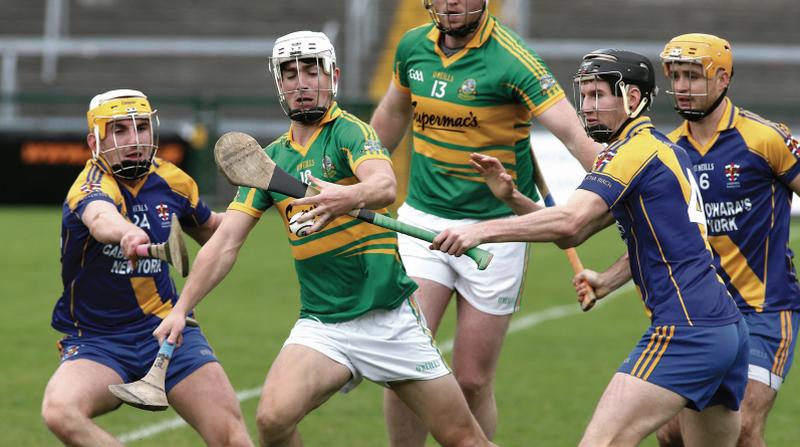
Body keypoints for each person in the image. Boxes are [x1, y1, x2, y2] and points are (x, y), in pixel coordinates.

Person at [153, 31, 495, 447]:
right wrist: (182, 307)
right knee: (273, 419)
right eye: (290, 73)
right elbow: (225, 242)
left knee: (463, 439)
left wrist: (344, 197)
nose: (301, 82)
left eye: (312, 70)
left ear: (333, 75)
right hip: (324, 323)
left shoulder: (352, 133)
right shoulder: (269, 161)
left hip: (388, 319)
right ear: (279, 85)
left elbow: (384, 186)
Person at [430, 49, 750, 446]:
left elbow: (570, 221)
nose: (588, 107)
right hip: (726, 329)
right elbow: (592, 236)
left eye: (599, 95)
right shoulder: (664, 149)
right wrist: (512, 199)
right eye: (584, 95)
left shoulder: (627, 153)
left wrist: (479, 231)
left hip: (688, 330)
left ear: (632, 99)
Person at [369, 0, 602, 442]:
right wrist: (357, 175)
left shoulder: (514, 60)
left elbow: (573, 133)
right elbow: (393, 115)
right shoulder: (412, 47)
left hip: (497, 233)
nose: (451, 2)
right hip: (423, 223)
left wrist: (619, 186)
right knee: (404, 360)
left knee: (472, 379)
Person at [41, 89, 252, 446]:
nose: (134, 139)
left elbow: (215, 231)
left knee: (232, 437)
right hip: (98, 342)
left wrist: (259, 202)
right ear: (95, 141)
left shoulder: (174, 181)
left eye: (141, 127)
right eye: (119, 130)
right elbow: (99, 217)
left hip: (167, 331)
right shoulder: (90, 186)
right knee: (60, 411)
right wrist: (126, 233)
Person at [654, 33, 800, 447]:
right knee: (671, 432)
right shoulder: (671, 151)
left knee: (743, 428)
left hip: (765, 309)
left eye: (693, 76)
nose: (682, 87)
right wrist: (605, 280)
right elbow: (662, 239)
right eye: (676, 75)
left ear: (722, 79)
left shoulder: (765, 138)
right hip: (702, 314)